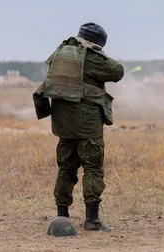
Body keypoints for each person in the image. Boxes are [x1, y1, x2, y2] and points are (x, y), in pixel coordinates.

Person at [33, 22, 124, 231]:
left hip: (63, 123)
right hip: (87, 124)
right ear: (96, 42)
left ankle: (61, 217)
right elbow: (117, 71)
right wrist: (99, 52)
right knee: (92, 168)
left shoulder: (60, 52)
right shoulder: (90, 56)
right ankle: (92, 220)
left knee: (66, 168)